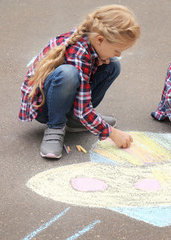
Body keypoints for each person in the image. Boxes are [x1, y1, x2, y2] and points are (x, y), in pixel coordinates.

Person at [19, 5, 141, 159]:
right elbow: (82, 107)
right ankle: (55, 127)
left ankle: (75, 120)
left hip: (66, 98)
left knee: (113, 65)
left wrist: (98, 62)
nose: (118, 54)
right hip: (44, 108)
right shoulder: (78, 52)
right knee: (68, 74)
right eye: (116, 50)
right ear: (100, 40)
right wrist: (112, 133)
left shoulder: (91, 41)